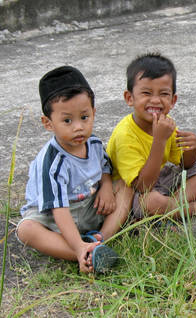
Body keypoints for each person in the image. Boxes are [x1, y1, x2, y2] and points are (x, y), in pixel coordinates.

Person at [17, 66, 131, 273]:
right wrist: (77, 247)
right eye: (67, 120)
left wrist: (106, 186)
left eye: (84, 117)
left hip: (89, 205)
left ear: (94, 113)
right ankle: (84, 253)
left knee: (125, 187)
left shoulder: (94, 144)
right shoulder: (53, 161)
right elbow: (58, 210)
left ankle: (100, 238)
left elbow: (105, 166)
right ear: (48, 123)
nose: (78, 127)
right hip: (54, 217)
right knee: (26, 230)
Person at [106, 53, 196, 220]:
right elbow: (143, 186)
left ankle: (171, 206)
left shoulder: (166, 123)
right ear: (129, 98)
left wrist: (194, 148)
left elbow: (185, 165)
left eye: (163, 94)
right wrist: (159, 141)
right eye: (146, 93)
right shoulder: (125, 135)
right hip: (134, 193)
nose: (155, 100)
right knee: (151, 201)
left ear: (173, 100)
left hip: (161, 179)